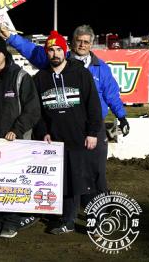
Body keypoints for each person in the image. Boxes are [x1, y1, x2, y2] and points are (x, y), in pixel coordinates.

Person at [0, 25, 129, 199]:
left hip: (93, 125)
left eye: (86, 42)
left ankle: (100, 206)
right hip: (66, 126)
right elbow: (33, 51)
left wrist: (121, 116)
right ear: (71, 43)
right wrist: (11, 37)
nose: (82, 45)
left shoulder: (101, 68)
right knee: (66, 170)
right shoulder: (58, 57)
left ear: (91, 44)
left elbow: (111, 94)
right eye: (79, 41)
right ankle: (66, 207)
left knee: (96, 168)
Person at [33, 31, 102, 234]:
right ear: (46, 53)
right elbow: (37, 112)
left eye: (58, 49)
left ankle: (95, 221)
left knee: (88, 181)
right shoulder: (40, 78)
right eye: (50, 50)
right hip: (56, 140)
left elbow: (94, 105)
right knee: (67, 182)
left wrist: (92, 132)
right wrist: (43, 131)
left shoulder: (81, 73)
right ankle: (68, 220)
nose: (54, 53)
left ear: (65, 50)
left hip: (81, 138)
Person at [0, 36, 41, 238]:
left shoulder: (20, 76)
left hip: (15, 142)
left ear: (5, 54)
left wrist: (18, 130)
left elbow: (33, 109)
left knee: (13, 183)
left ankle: (11, 222)